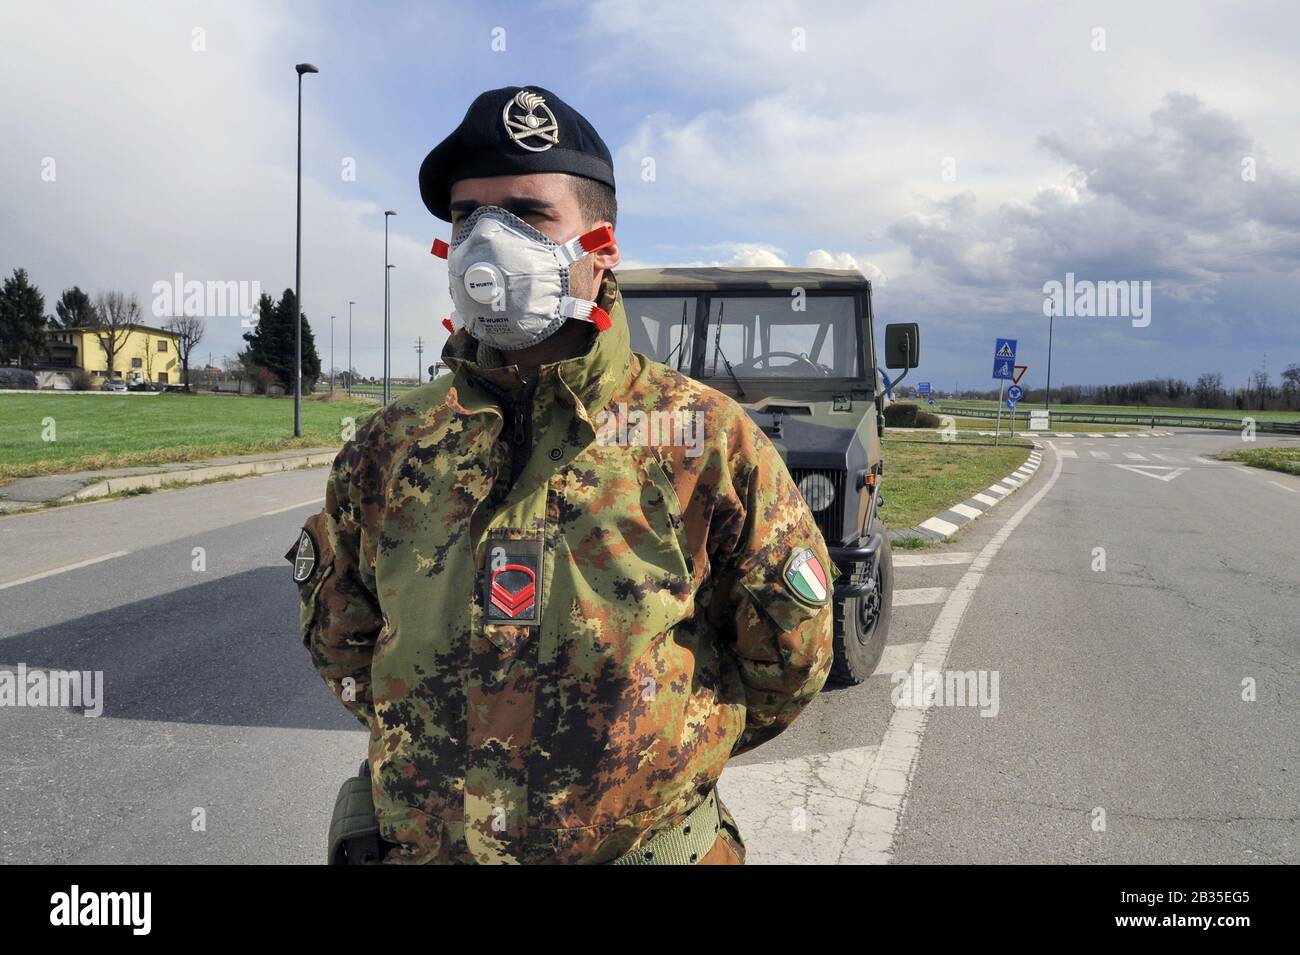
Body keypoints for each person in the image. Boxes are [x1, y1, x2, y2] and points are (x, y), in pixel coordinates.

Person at [292, 85, 835, 864]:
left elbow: (789, 660)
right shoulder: (391, 446)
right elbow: (342, 644)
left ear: (600, 247)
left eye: (526, 214)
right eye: (464, 217)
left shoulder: (703, 440)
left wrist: (654, 762)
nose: (486, 241)